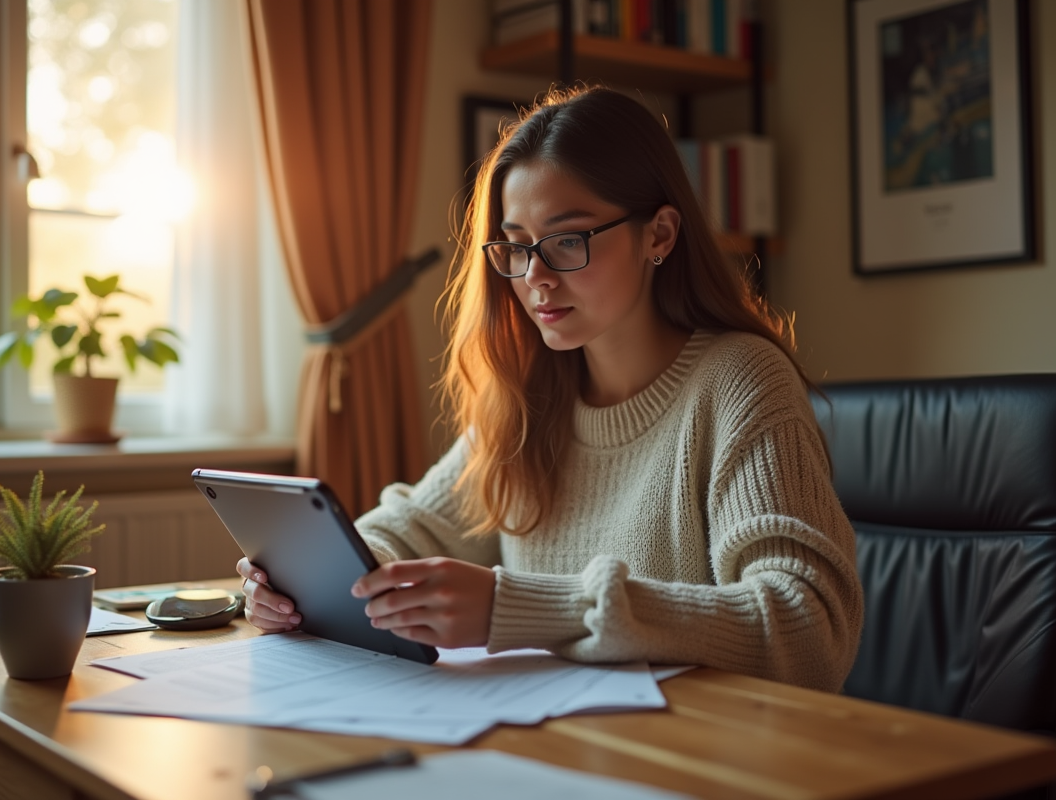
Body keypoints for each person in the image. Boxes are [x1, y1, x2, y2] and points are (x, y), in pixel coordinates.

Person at [238, 85, 864, 693]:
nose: (535, 277)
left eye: (567, 240)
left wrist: (514, 607)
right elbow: (409, 531)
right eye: (515, 247)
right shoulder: (531, 394)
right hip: (567, 746)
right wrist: (310, 582)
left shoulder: (739, 382)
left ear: (660, 235)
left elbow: (807, 629)